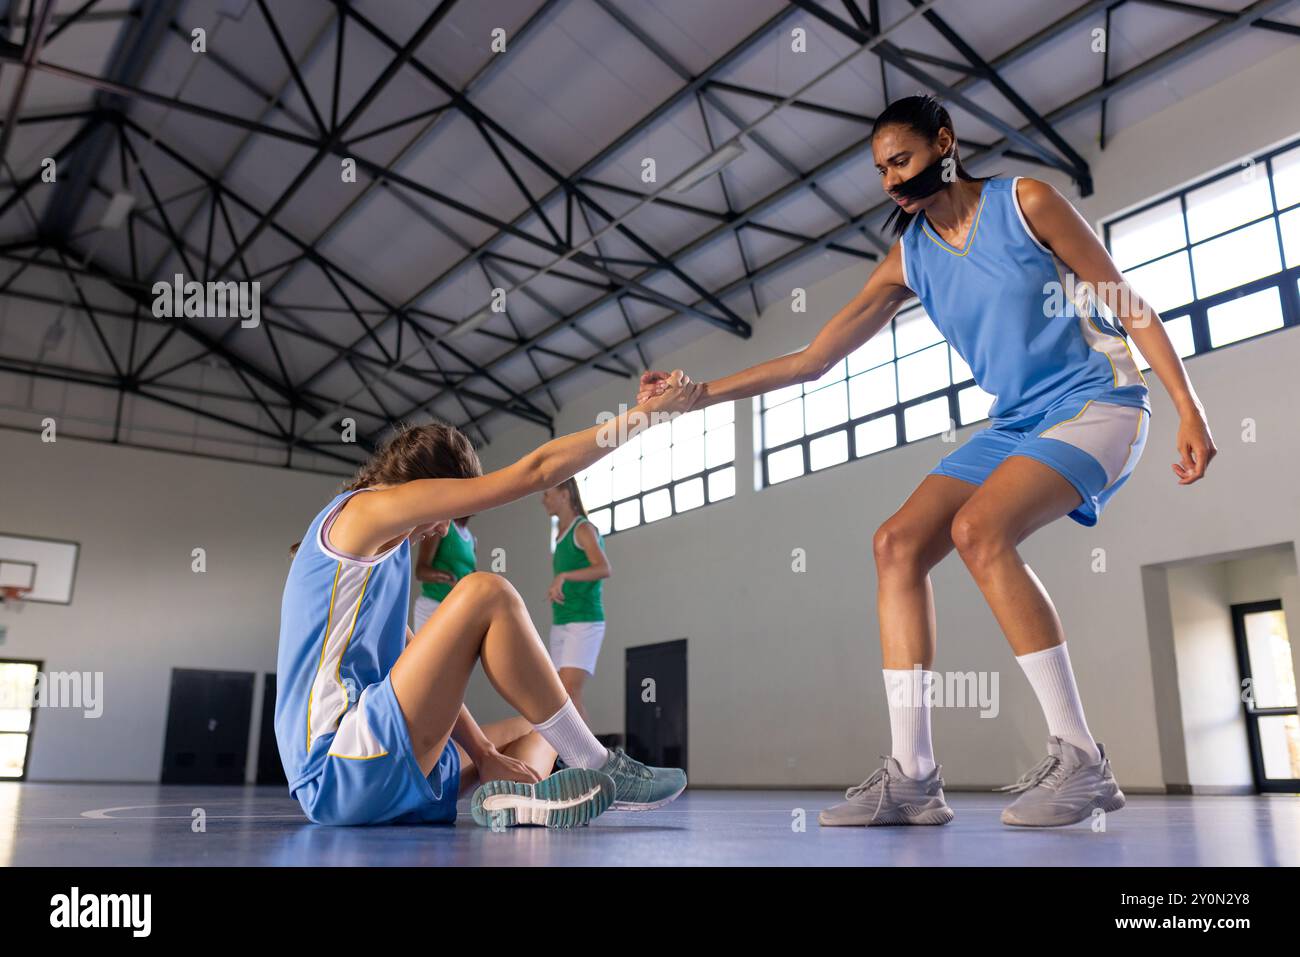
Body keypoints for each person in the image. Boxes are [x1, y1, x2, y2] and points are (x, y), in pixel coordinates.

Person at [637, 95, 1216, 828]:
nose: (889, 180)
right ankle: (912, 777)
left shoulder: (1026, 200)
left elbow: (1127, 304)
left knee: (979, 530)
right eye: (880, 170)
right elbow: (813, 359)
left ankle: (1081, 758)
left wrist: (1189, 406)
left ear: (945, 143)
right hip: (1016, 424)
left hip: (1100, 402)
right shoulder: (910, 256)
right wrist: (696, 395)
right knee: (896, 543)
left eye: (901, 160)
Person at [275, 372, 699, 828]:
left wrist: (484, 753)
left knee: (539, 726)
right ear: (423, 488)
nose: (442, 528)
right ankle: (598, 766)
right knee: (485, 590)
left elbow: (419, 666)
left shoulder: (381, 559)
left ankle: (518, 800)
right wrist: (644, 417)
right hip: (339, 766)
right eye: (448, 511)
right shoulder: (367, 510)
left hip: (372, 766)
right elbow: (536, 471)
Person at [542, 478, 611, 724]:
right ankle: (569, 756)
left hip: (585, 621)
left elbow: (604, 568)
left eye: (548, 493)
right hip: (561, 621)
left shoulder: (583, 529)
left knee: (571, 693)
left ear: (565, 494)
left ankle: (592, 762)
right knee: (559, 698)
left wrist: (564, 576)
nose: (543, 500)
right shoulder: (558, 535)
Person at [411, 516, 476, 633]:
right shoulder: (440, 528)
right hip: (432, 607)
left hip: (457, 608)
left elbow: (472, 575)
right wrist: (451, 579)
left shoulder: (472, 539)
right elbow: (421, 571)